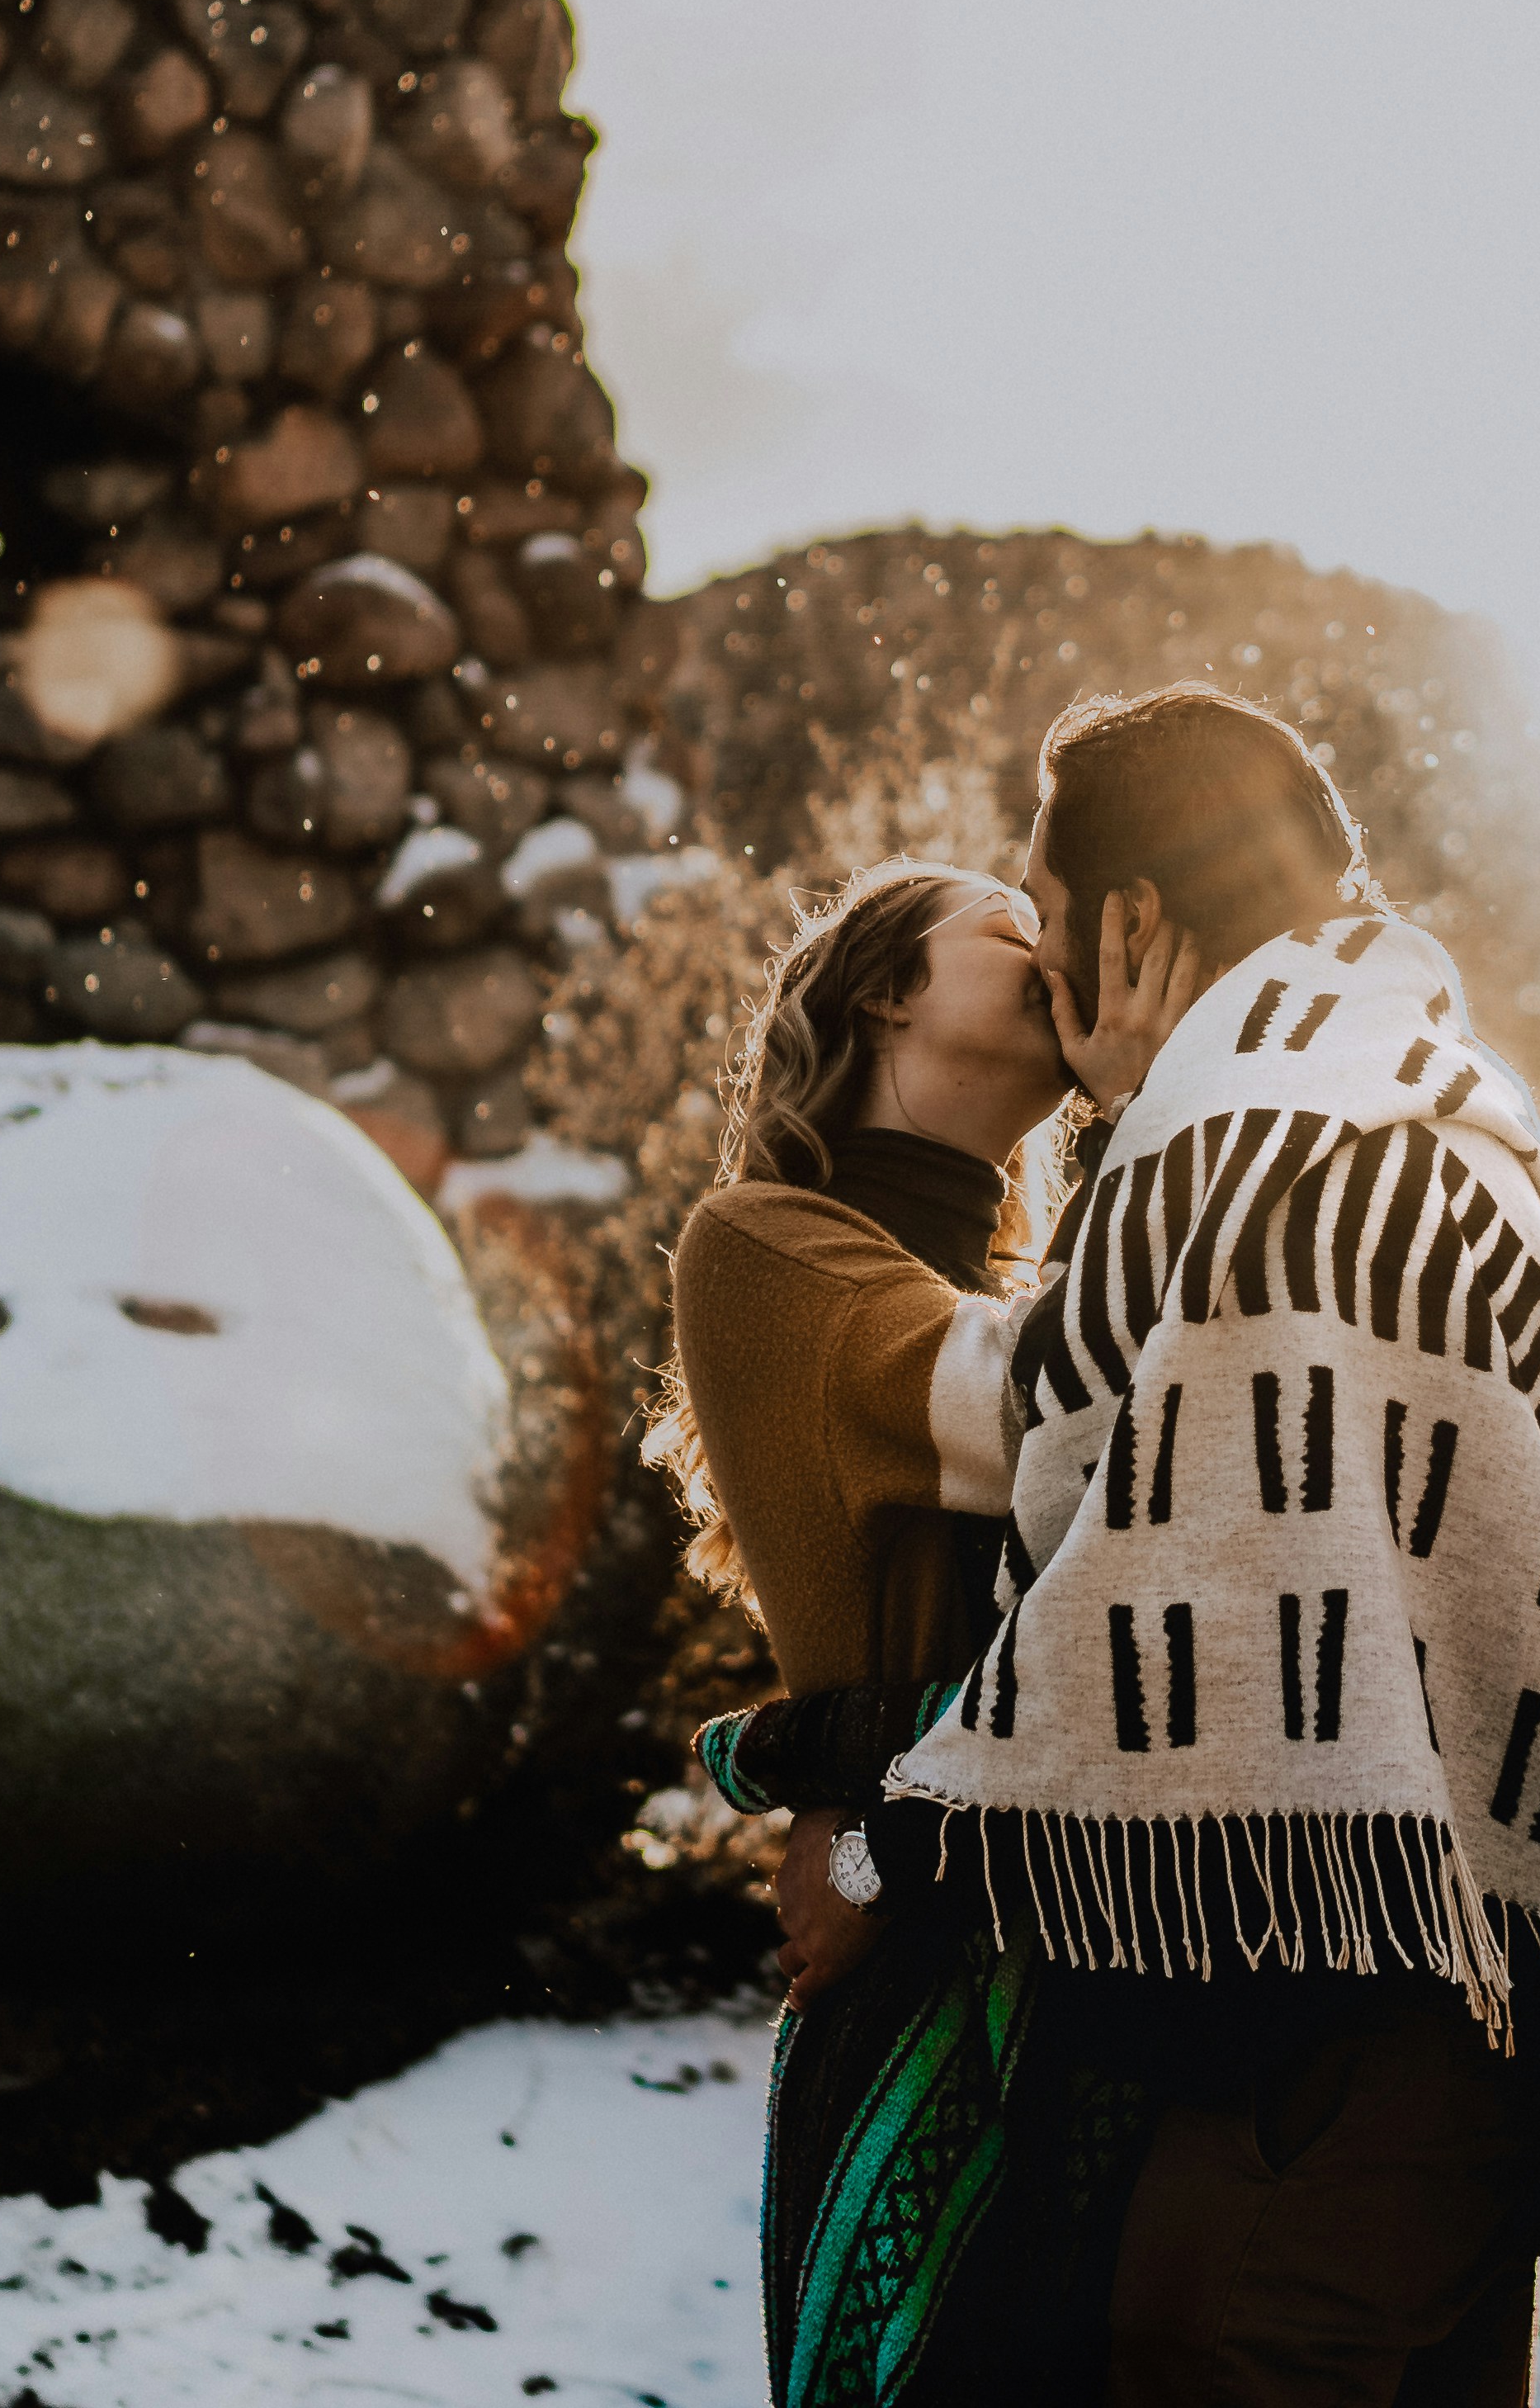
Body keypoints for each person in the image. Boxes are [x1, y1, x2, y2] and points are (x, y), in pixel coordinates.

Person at [862, 685, 1540, 2408]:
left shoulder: (1247, 1159)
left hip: (1311, 2064)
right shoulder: (1420, 1104)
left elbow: (1102, 1544)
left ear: (1135, 925)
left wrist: (864, 1855)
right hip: (1469, 2029)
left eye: (1049, 916)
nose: (1044, 971)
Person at [654, 855, 1201, 2408]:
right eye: (1014, 927)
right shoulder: (761, 1243)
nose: (1058, 949)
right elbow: (1061, 1411)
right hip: (927, 1984)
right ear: (890, 990)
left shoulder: (1031, 1278)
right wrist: (1157, 1103)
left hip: (1074, 1944)